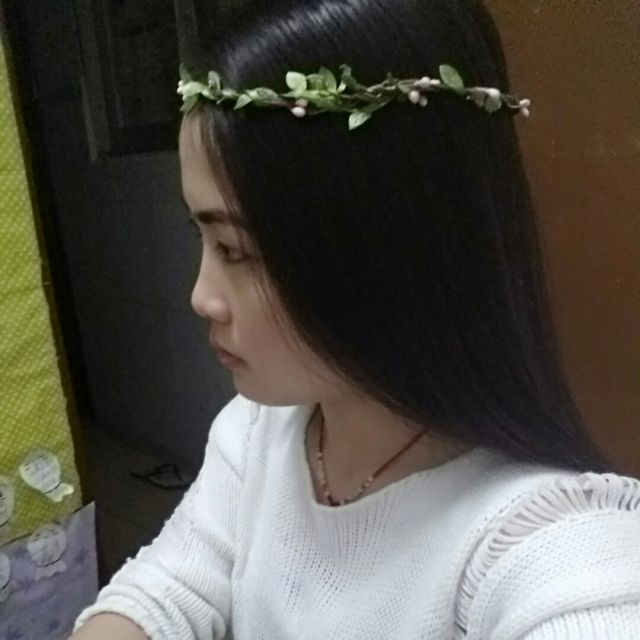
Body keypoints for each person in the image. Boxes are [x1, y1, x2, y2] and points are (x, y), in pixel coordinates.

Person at [70, 1, 640, 638]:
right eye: (201, 238)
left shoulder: (542, 544)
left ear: (385, 247)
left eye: (234, 250)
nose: (202, 296)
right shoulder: (260, 431)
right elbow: (168, 587)